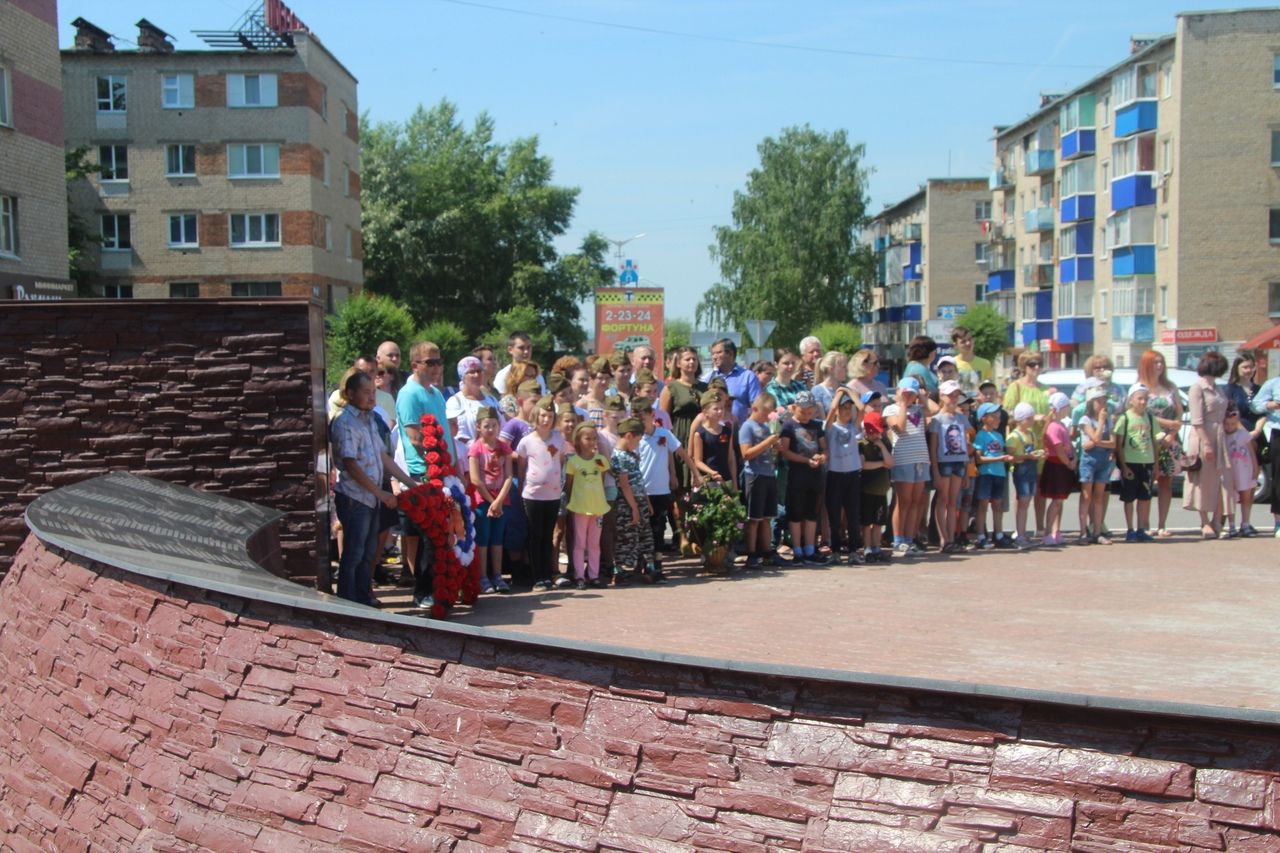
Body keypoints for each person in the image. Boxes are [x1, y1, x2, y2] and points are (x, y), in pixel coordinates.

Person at [330, 370, 417, 607]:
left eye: (373, 392)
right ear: (350, 393)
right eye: (366, 393)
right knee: (354, 553)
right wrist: (380, 493)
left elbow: (383, 456)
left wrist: (411, 484)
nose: (372, 398)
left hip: (371, 497)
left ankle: (362, 598)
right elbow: (350, 464)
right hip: (354, 497)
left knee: (368, 553)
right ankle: (348, 603)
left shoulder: (369, 419)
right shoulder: (345, 421)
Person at [396, 341, 454, 580]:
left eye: (439, 361)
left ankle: (438, 586)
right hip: (423, 474)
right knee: (424, 537)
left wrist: (456, 469)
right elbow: (415, 438)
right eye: (430, 362)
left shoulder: (437, 393)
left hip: (443, 471)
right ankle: (423, 590)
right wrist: (435, 469)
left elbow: (447, 436)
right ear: (414, 365)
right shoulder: (408, 394)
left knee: (441, 535)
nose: (436, 367)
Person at [515, 397, 566, 591]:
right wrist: (521, 488)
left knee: (547, 535)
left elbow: (560, 462)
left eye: (550, 416)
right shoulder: (526, 441)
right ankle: (537, 577)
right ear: (536, 416)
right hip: (533, 495)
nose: (546, 420)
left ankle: (547, 573)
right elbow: (521, 467)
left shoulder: (558, 439)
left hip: (553, 495)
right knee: (535, 535)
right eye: (543, 415)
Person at [660, 347, 708, 551]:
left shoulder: (705, 387)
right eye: (687, 359)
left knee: (698, 492)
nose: (691, 363)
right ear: (678, 363)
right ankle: (682, 537)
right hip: (679, 437)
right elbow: (662, 418)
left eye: (694, 359)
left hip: (700, 440)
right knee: (679, 491)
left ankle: (699, 535)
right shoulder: (671, 388)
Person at [1183, 351, 1232, 538]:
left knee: (1223, 480)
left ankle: (1217, 520)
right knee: (1203, 480)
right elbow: (1197, 419)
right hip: (1204, 436)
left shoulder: (1219, 389)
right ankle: (1204, 522)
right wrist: (1207, 443)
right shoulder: (1197, 388)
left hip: (1220, 435)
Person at [1003, 351, 1051, 537]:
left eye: (1039, 364)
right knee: (1022, 489)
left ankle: (1040, 527)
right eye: (1032, 364)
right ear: (1024, 367)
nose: (1036, 368)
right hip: (1022, 442)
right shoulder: (1015, 387)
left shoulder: (1044, 388)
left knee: (1040, 487)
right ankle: (1020, 529)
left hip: (1041, 440)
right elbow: (1007, 414)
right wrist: (1030, 418)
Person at [635, 395, 683, 580]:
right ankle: (643, 564)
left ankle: (657, 564)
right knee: (642, 529)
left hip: (660, 490)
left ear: (651, 415)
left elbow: (678, 452)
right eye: (637, 417)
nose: (640, 421)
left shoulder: (663, 433)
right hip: (642, 490)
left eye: (643, 417)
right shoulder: (635, 437)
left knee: (658, 528)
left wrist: (676, 474)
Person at [1138, 350, 1184, 537]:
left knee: (1166, 482)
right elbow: (1140, 414)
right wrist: (1166, 424)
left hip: (1169, 439)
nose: (1159, 366)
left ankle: (1162, 524)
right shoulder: (1140, 387)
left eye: (1161, 362)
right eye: (1155, 362)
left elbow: (1179, 412)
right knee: (1148, 481)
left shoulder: (1170, 387)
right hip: (1147, 439)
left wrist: (1172, 433)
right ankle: (1145, 524)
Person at [468, 406, 513, 594]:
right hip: (483, 499)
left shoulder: (504, 448)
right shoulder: (476, 448)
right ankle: (483, 576)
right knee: (483, 538)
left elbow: (509, 476)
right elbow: (475, 479)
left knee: (497, 538)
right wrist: (491, 501)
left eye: (494, 425)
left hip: (500, 498)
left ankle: (497, 575)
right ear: (479, 427)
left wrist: (499, 500)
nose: (491, 429)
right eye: (487, 426)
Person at [779, 390, 827, 565]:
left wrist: (822, 457)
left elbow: (823, 447)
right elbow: (785, 451)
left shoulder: (816, 425)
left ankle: (809, 548)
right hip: (797, 475)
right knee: (796, 513)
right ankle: (797, 549)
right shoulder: (788, 426)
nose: (806, 415)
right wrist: (806, 460)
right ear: (794, 408)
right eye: (802, 412)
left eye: (810, 412)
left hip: (814, 476)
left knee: (811, 514)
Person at [610, 417, 660, 583]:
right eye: (638, 440)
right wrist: (634, 508)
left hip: (639, 501)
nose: (639, 444)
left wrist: (647, 501)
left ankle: (648, 565)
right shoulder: (618, 457)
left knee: (645, 534)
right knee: (627, 536)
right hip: (627, 505)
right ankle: (621, 569)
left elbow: (639, 480)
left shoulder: (630, 454)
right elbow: (624, 486)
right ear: (630, 436)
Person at [885, 376, 930, 556]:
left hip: (920, 459)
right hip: (903, 458)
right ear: (898, 392)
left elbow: (936, 410)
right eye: (905, 392)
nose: (908, 396)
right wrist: (903, 404)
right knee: (903, 501)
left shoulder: (919, 408)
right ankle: (898, 539)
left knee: (916, 502)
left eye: (912, 393)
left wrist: (922, 397)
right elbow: (900, 427)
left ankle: (910, 539)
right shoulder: (891, 409)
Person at [564, 422, 610, 589]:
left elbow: (602, 479)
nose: (591, 442)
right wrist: (572, 502)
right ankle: (579, 576)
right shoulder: (573, 462)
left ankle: (594, 575)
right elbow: (569, 484)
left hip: (598, 508)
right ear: (578, 440)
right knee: (579, 543)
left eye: (594, 438)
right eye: (587, 438)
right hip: (580, 507)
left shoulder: (600, 460)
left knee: (594, 544)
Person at [739, 391, 782, 569]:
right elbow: (746, 454)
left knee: (767, 518)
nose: (766, 417)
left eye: (769, 414)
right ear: (755, 409)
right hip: (754, 475)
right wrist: (768, 442)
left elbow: (771, 453)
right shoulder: (747, 427)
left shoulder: (767, 427)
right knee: (754, 518)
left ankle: (767, 552)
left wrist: (776, 447)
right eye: (764, 414)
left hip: (769, 474)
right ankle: (751, 553)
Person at [928, 380, 970, 554]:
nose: (953, 398)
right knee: (942, 500)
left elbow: (966, 444)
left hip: (959, 461)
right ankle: (943, 538)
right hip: (943, 462)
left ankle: (952, 538)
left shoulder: (961, 418)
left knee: (953, 502)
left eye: (956, 395)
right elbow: (933, 447)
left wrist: (967, 470)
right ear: (942, 396)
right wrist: (935, 471)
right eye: (950, 395)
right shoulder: (937, 420)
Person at [823, 386, 863, 564]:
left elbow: (862, 409)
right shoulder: (831, 427)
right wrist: (839, 393)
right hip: (835, 474)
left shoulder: (854, 426)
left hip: (852, 474)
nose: (847, 411)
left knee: (853, 515)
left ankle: (854, 550)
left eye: (849, 408)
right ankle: (835, 551)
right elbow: (831, 410)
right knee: (834, 516)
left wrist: (850, 392)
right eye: (843, 408)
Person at [1115, 384, 1157, 543]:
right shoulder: (1124, 418)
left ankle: (1141, 529)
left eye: (1145, 399)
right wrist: (1124, 466)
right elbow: (1119, 444)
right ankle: (1130, 529)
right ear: (1131, 400)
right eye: (1139, 398)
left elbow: (1154, 440)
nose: (1143, 402)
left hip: (1147, 462)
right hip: (1131, 462)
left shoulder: (1150, 418)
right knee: (1129, 498)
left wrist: (1156, 464)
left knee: (1145, 498)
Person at [1078, 387, 1116, 545]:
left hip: (1103, 459)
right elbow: (1095, 436)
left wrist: (1096, 442)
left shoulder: (1109, 419)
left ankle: (1097, 531)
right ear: (1091, 402)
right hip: (1089, 460)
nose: (1103, 404)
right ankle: (1082, 532)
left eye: (1104, 401)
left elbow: (1112, 442)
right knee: (1087, 496)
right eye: (1099, 401)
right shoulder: (1085, 420)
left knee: (1099, 496)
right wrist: (1100, 422)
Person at [447, 355, 502, 465]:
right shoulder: (456, 401)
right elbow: (457, 435)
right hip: (467, 460)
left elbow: (502, 427)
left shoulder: (492, 400)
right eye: (471, 372)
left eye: (479, 371)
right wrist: (481, 448)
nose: (477, 375)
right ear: (463, 376)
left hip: (494, 458)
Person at [973, 402, 1013, 549]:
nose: (998, 419)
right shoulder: (980, 436)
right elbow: (979, 459)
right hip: (986, 474)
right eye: (994, 416)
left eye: (998, 416)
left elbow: (1001, 452)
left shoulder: (999, 435)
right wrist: (1000, 459)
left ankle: (999, 535)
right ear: (984, 418)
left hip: (999, 473)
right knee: (983, 504)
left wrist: (1007, 457)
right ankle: (981, 536)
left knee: (998, 504)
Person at [1039, 392, 1077, 547]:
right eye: (1067, 406)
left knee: (1059, 501)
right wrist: (1069, 463)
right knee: (1055, 501)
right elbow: (1059, 449)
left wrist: (1073, 458)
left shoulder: (1061, 425)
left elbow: (1069, 446)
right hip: (1057, 465)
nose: (1068, 409)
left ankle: (1056, 531)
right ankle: (1048, 533)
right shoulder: (1054, 427)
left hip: (1063, 464)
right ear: (1061, 408)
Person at [858, 411, 893, 563]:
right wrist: (881, 464)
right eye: (872, 432)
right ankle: (867, 548)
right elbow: (863, 465)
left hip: (881, 490)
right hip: (866, 489)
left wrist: (881, 447)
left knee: (878, 522)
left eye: (878, 432)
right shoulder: (862, 444)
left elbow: (890, 463)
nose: (875, 435)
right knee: (866, 522)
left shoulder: (884, 443)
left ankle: (876, 547)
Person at [1007, 402, 1043, 547]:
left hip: (1031, 470)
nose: (1032, 421)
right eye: (1029, 418)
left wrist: (1038, 454)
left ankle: (1022, 533)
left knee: (1027, 501)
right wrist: (1028, 457)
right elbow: (1010, 457)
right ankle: (1020, 534)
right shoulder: (1014, 436)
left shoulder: (1032, 434)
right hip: (1021, 471)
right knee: (1023, 501)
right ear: (1020, 419)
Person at [705, 337, 761, 427]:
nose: (714, 357)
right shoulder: (708, 378)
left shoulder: (748, 377)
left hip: (739, 433)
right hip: (713, 434)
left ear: (730, 353)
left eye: (718, 353)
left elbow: (757, 408)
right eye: (713, 354)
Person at [691, 389, 737, 489]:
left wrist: (734, 482)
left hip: (725, 478)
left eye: (722, 408)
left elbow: (730, 458)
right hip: (708, 481)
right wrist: (712, 473)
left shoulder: (727, 431)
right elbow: (698, 461)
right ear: (705, 412)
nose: (720, 411)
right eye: (715, 409)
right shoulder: (700, 433)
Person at [1252, 373, 1280, 537]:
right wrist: (1270, 405)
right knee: (1278, 478)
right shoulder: (1273, 383)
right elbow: (1255, 405)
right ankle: (1278, 522)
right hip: (1278, 432)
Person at [1223, 406, 1257, 538]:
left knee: (1246, 497)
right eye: (1227, 424)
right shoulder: (1223, 436)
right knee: (1231, 498)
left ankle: (1245, 523)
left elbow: (1252, 452)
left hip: (1244, 470)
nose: (1230, 427)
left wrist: (1254, 468)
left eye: (1233, 424)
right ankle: (1231, 525)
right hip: (1230, 472)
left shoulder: (1243, 434)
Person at [494, 331, 546, 397]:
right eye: (521, 348)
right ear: (510, 350)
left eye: (529, 347)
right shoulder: (503, 375)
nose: (526, 351)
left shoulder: (537, 375)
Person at [951, 327, 992, 394]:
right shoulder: (952, 363)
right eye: (963, 341)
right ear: (955, 345)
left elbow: (988, 388)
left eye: (969, 339)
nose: (968, 343)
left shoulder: (985, 364)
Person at [810, 351, 848, 417]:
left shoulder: (846, 389)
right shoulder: (817, 391)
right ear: (831, 369)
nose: (847, 370)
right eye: (843, 367)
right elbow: (822, 421)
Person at [903, 336, 939, 400]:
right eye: (934, 351)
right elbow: (931, 392)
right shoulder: (919, 369)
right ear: (930, 353)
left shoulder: (913, 366)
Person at [582, 357, 612, 428]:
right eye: (600, 378)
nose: (604, 382)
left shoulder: (611, 403)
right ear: (591, 379)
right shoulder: (584, 403)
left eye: (607, 378)